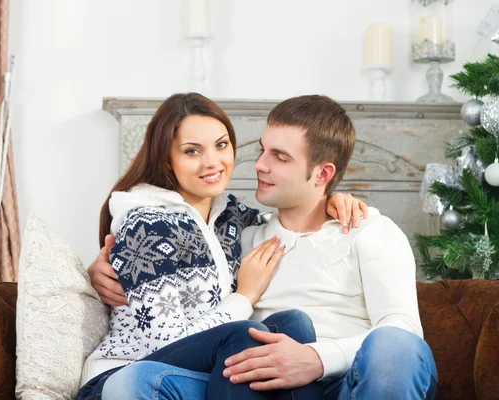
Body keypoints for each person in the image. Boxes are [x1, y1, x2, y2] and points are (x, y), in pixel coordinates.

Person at [89, 94, 438, 400]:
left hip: (347, 381)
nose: (258, 165)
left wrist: (317, 360)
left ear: (322, 174)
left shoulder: (369, 230)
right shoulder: (242, 233)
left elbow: (403, 328)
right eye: (262, 150)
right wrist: (101, 268)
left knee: (395, 347)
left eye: (280, 157)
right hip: (253, 383)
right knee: (139, 380)